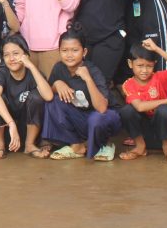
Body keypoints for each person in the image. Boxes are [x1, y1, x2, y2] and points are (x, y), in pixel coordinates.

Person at [43, 30, 120, 161]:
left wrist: (88, 79)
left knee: (97, 118)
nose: (69, 55)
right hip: (80, 118)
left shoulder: (93, 71)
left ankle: (104, 145)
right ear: (59, 51)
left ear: (84, 52)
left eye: (75, 50)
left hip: (104, 118)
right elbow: (48, 94)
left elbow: (102, 108)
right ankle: (76, 145)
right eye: (64, 50)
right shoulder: (59, 68)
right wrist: (57, 84)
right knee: (53, 101)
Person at [0, 35, 54, 159]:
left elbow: (48, 96)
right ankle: (0, 145)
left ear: (26, 55)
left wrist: (31, 66)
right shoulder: (1, 73)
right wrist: (11, 124)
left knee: (36, 97)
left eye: (16, 53)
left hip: (28, 129)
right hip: (7, 128)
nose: (11, 59)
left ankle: (29, 145)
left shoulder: (34, 74)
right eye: (6, 55)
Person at [118, 40, 167, 163]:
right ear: (130, 64)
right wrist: (166, 101)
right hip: (144, 135)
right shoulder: (128, 84)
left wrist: (157, 49)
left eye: (149, 66)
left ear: (154, 64)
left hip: (166, 133)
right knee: (127, 111)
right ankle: (140, 147)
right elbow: (139, 107)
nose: (144, 70)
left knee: (164, 111)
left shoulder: (160, 78)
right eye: (140, 65)